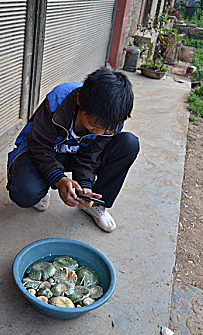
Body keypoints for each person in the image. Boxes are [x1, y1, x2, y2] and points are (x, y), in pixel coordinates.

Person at [7, 66, 139, 233]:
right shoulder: (59, 99)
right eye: (93, 124)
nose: (98, 132)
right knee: (25, 192)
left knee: (129, 143)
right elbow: (39, 146)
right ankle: (43, 186)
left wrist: (85, 186)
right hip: (41, 149)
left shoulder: (112, 121)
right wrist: (59, 179)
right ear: (79, 100)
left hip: (76, 154)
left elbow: (90, 157)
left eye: (105, 130)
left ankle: (95, 204)